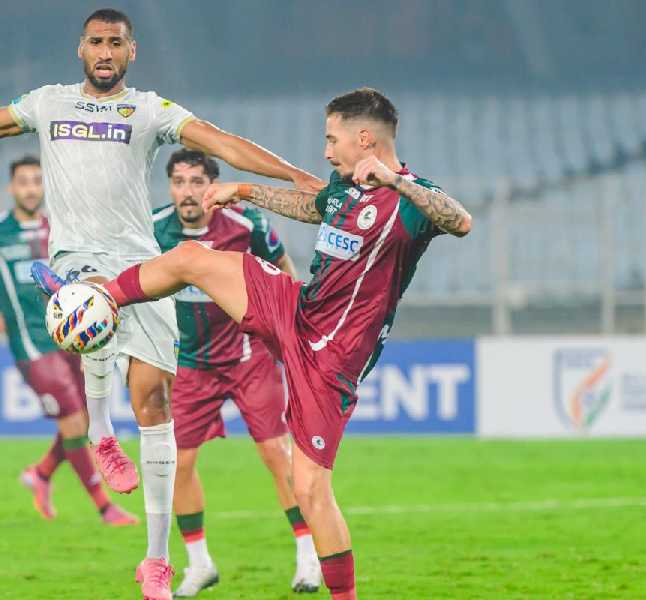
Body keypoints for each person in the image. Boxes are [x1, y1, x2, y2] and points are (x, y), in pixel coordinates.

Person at [0, 8, 320, 599]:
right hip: (76, 257)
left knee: (154, 403)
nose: (104, 51)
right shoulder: (48, 103)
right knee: (89, 304)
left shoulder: (149, 110)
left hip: (143, 263)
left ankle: (157, 560)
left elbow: (220, 142)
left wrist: (298, 176)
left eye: (115, 43)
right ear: (80, 48)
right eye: (96, 41)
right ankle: (99, 432)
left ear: (131, 51)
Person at [95, 88, 473, 599]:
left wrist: (396, 182)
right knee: (191, 257)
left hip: (331, 360)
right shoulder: (344, 187)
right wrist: (246, 191)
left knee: (310, 490)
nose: (326, 150)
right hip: (295, 308)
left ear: (365, 138)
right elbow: (312, 207)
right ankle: (99, 298)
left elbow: (460, 220)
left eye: (332, 138)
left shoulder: (409, 202)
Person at [153, 149, 320, 596]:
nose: (187, 191)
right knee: (178, 465)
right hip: (190, 364)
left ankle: (307, 556)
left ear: (212, 185)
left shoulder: (246, 226)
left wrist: (291, 333)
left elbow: (286, 273)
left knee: (275, 455)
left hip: (248, 357)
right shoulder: (152, 229)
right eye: (179, 181)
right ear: (170, 186)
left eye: (196, 181)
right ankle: (199, 563)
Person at [0, 155, 137, 527]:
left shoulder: (60, 227)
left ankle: (41, 473)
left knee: (83, 418)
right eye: (23, 182)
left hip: (70, 338)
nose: (31, 188)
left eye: (37, 181)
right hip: (31, 344)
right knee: (73, 422)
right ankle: (105, 507)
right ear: (12, 188)